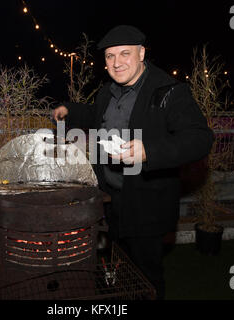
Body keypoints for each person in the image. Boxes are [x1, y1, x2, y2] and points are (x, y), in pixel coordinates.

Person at [52, 25, 214, 299]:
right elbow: (96, 115)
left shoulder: (168, 91)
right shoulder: (108, 91)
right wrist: (71, 109)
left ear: (141, 54)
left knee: (145, 275)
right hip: (109, 199)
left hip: (146, 204)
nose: (116, 63)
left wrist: (148, 151)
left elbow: (200, 138)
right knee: (114, 264)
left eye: (125, 54)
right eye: (110, 56)